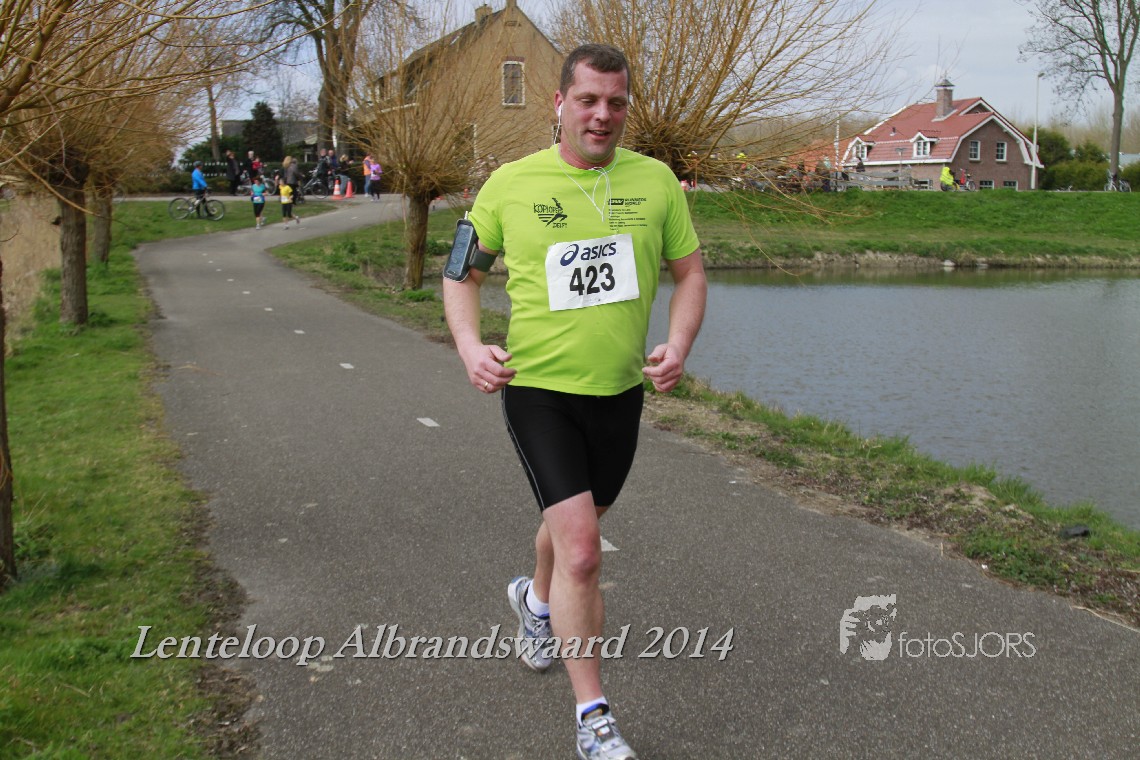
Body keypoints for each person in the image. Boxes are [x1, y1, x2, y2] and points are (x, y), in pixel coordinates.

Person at [442, 43, 706, 760]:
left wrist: (679, 343)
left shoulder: (655, 182)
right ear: (559, 102)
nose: (601, 115)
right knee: (583, 552)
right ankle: (594, 717)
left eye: (616, 103)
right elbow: (461, 273)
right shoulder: (510, 184)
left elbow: (689, 273)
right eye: (587, 100)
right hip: (538, 391)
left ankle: (534, 602)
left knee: (574, 527)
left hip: (620, 392)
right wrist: (469, 346)